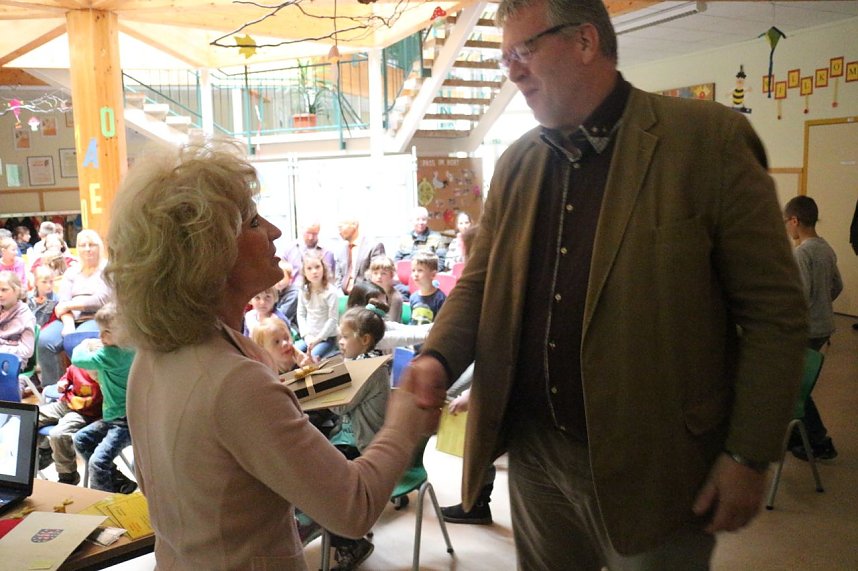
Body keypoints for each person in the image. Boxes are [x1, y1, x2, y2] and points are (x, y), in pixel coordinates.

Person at [400, 0, 807, 568]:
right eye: (504, 58)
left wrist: (748, 453)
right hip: (535, 456)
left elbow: (774, 315)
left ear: (585, 42)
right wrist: (437, 356)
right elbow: (482, 281)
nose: (512, 71)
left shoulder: (707, 141)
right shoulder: (517, 164)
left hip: (658, 462)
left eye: (523, 51)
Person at [104, 140, 436, 569]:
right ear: (209, 252)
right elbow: (353, 507)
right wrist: (404, 418)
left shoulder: (153, 358)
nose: (276, 232)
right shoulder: (233, 381)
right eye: (254, 221)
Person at [325, 303, 392, 568]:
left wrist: (320, 387)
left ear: (364, 340)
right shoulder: (358, 362)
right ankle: (342, 534)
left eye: (345, 337)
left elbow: (339, 406)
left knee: (319, 483)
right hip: (348, 438)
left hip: (365, 447)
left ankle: (350, 544)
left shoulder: (369, 368)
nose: (340, 342)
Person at [783, 196, 842, 461]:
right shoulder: (826, 248)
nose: (787, 228)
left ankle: (817, 440)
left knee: (794, 386)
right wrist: (823, 305)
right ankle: (804, 435)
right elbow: (837, 285)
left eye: (786, 222)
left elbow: (801, 295)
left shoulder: (801, 253)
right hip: (824, 327)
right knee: (797, 384)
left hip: (806, 329)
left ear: (795, 220)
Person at [71, 303, 136, 493]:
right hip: (114, 418)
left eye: (106, 332)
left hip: (125, 422)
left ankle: (105, 501)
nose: (100, 336)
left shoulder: (112, 354)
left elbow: (77, 359)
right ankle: (119, 482)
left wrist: (83, 344)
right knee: (81, 439)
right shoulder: (129, 349)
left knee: (98, 462)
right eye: (100, 331)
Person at [37, 229, 109, 386]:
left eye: (92, 245)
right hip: (70, 317)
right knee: (45, 340)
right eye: (83, 245)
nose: (87, 249)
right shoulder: (72, 272)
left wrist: (69, 305)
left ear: (100, 247)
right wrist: (68, 325)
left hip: (96, 317)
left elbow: (101, 300)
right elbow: (62, 302)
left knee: (77, 340)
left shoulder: (108, 269)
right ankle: (53, 389)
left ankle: (85, 390)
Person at [346, 281, 431, 352]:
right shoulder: (362, 336)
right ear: (357, 308)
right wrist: (430, 335)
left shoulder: (378, 324)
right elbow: (402, 338)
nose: (382, 314)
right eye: (377, 308)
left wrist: (435, 327)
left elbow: (409, 329)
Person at [295, 250, 339, 360]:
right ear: (304, 272)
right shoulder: (303, 290)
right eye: (309, 268)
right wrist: (306, 336)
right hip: (309, 337)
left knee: (311, 359)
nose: (314, 271)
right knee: (292, 354)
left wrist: (317, 339)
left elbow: (333, 319)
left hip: (327, 338)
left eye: (317, 267)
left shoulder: (331, 292)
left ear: (323, 268)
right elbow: (301, 314)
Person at [0, 271, 35, 397]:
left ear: (16, 291)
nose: (0, 294)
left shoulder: (26, 316)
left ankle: (14, 390)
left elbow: (27, 350)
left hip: (12, 361)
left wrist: (2, 349)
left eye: (4, 290)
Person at [334, 217, 385, 295]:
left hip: (365, 295)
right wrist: (340, 295)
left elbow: (376, 276)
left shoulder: (373, 246)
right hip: (343, 295)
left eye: (341, 227)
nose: (339, 232)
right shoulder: (340, 250)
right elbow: (338, 277)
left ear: (355, 225)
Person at [281, 221, 336, 288]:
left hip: (320, 289)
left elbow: (332, 276)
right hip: (295, 290)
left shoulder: (327, 252)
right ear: (301, 231)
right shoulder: (289, 249)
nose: (311, 237)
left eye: (314, 234)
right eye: (308, 233)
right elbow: (282, 272)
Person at [408, 252, 446, 326]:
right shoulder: (413, 297)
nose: (415, 274)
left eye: (420, 270)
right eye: (413, 270)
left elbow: (441, 325)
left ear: (433, 274)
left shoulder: (440, 299)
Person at [369, 255, 403, 323]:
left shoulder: (396, 298)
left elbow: (392, 322)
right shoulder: (368, 292)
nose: (379, 276)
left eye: (383, 273)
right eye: (375, 273)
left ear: (392, 275)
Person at [275, 260, 300, 325]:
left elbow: (282, 315)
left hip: (291, 326)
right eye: (275, 277)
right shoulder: (276, 291)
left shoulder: (294, 294)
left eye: (281, 277)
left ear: (290, 278)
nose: (278, 281)